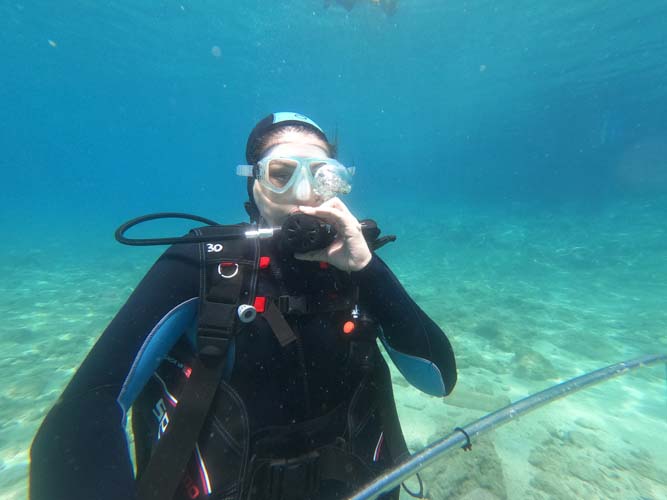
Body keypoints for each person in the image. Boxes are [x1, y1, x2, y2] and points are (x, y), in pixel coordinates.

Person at [30, 112, 457, 500]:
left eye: (324, 176)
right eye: (281, 174)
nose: (304, 193)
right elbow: (85, 408)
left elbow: (439, 379)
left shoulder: (356, 264)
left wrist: (368, 269)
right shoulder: (203, 264)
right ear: (254, 183)